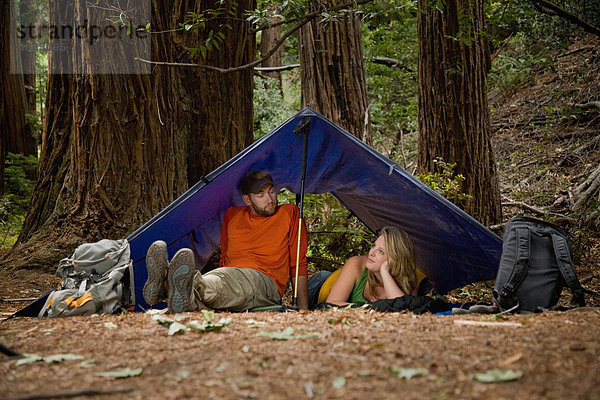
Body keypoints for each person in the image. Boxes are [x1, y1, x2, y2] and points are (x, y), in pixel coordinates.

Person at [143, 170, 309, 312]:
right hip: (227, 278)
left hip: (265, 282)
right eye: (261, 195)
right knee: (214, 285)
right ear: (247, 200)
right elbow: (225, 258)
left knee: (224, 281)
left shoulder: (289, 213)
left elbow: (298, 264)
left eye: (272, 191)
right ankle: (176, 292)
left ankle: (166, 287)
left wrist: (303, 310)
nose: (270, 199)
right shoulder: (232, 215)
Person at [308, 226, 420, 308]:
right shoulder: (355, 264)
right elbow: (332, 303)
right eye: (374, 246)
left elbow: (404, 311)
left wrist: (385, 272)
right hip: (321, 286)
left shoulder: (407, 278)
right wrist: (374, 309)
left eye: (381, 251)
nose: (371, 253)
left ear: (395, 259)